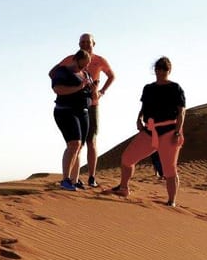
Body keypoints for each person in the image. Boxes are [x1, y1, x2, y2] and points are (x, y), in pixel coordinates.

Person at [110, 57, 186, 207]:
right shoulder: (149, 88)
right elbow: (144, 108)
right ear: (155, 70)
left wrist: (177, 132)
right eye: (158, 68)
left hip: (169, 131)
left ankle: (171, 201)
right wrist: (139, 119)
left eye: (164, 69)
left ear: (169, 71)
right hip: (150, 130)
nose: (161, 71)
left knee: (169, 169)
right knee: (127, 158)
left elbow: (181, 112)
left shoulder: (175, 88)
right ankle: (123, 187)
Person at [49, 33, 115, 187]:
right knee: (75, 143)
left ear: (94, 43)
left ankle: (90, 177)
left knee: (89, 141)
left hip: (90, 105)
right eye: (82, 42)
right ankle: (70, 178)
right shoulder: (69, 60)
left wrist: (100, 91)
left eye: (88, 42)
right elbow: (53, 75)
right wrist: (66, 83)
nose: (85, 44)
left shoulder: (99, 61)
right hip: (69, 107)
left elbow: (111, 76)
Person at [51, 50, 93, 191]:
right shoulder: (62, 71)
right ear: (76, 59)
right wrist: (79, 87)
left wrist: (93, 89)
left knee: (79, 147)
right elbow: (58, 89)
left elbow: (92, 94)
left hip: (83, 112)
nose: (84, 68)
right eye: (83, 64)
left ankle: (75, 180)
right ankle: (65, 180)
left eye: (87, 65)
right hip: (65, 111)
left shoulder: (86, 74)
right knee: (74, 144)